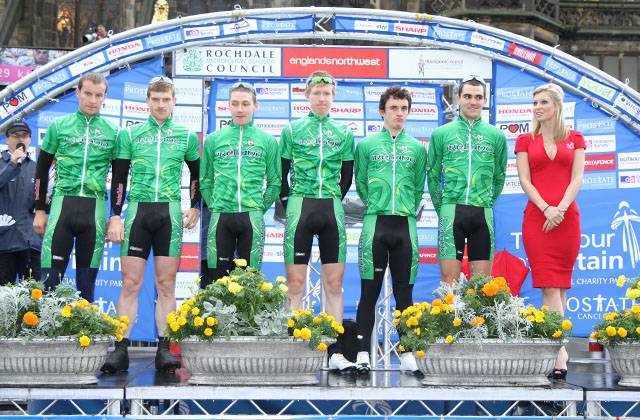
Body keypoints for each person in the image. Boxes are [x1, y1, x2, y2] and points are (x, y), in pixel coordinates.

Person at [101, 76, 200, 373]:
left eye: (165, 99)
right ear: (147, 101)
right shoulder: (129, 135)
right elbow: (119, 177)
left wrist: (194, 206)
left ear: (174, 102)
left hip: (169, 213)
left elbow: (197, 175)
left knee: (166, 285)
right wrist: (116, 214)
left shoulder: (186, 135)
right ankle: (120, 348)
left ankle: (164, 349)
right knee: (130, 284)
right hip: (138, 213)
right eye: (155, 99)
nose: (160, 104)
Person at [279, 71, 355, 371]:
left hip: (331, 208)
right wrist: (289, 201)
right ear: (307, 95)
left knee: (333, 283)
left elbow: (347, 176)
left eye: (327, 94)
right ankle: (295, 348)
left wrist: (333, 196)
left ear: (333, 97)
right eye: (317, 93)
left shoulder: (345, 133)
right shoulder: (292, 130)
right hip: (301, 206)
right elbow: (281, 173)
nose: (322, 99)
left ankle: (334, 351)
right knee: (296, 283)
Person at [354, 87, 427, 374]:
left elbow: (419, 185)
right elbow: (360, 182)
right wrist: (377, 203)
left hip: (405, 226)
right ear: (382, 111)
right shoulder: (367, 146)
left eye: (404, 108)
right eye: (394, 108)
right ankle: (362, 353)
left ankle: (407, 352)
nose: (399, 113)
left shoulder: (418, 148)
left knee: (404, 294)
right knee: (368, 292)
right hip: (375, 223)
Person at [515, 83, 584, 380]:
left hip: (567, 219)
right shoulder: (524, 140)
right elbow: (524, 180)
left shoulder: (576, 139)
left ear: (556, 105)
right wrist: (547, 209)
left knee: (561, 286)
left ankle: (555, 345)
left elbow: (577, 177)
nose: (538, 107)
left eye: (543, 102)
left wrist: (561, 209)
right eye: (534, 102)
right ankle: (559, 350)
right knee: (548, 286)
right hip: (538, 219)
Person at [33, 72, 119, 300]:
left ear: (104, 97)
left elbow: (120, 178)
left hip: (95, 209)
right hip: (62, 205)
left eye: (98, 95)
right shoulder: (59, 126)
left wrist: (116, 215)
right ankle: (47, 333)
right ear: (77, 93)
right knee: (49, 283)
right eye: (88, 94)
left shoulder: (114, 132)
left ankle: (84, 334)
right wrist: (40, 210)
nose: (92, 100)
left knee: (86, 287)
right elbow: (41, 170)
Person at [427, 76, 507, 284]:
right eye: (468, 96)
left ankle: (478, 318)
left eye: (478, 97)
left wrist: (486, 201)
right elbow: (433, 176)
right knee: (448, 279)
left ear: (485, 100)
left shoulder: (495, 135)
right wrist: (443, 207)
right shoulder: (441, 133)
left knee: (482, 283)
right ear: (459, 98)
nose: (473, 101)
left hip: (482, 212)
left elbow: (499, 176)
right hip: (451, 211)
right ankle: (447, 317)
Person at [200, 82, 280, 287]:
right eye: (234, 103)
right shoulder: (214, 139)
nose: (240, 109)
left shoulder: (268, 141)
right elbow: (205, 181)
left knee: (250, 283)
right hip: (220, 217)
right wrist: (216, 205)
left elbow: (274, 183)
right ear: (228, 106)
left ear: (255, 106)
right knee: (217, 283)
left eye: (245, 103)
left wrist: (258, 207)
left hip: (251, 217)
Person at [0, 120, 41, 285]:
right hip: (3, 242)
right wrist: (12, 164)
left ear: (30, 139)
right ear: (6, 139)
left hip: (30, 242)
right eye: (16, 136)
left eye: (24, 136)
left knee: (34, 300)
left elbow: (39, 207)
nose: (20, 140)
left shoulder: (37, 168)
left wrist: (46, 201)